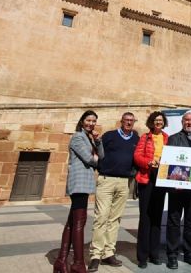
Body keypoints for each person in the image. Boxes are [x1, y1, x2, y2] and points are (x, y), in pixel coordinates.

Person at [87, 113, 140, 272]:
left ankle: (109, 253)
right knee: (101, 217)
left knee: (115, 219)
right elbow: (97, 151)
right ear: (121, 121)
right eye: (126, 120)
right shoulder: (110, 135)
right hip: (106, 180)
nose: (128, 123)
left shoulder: (136, 139)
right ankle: (96, 255)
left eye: (131, 121)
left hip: (124, 182)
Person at [53, 110, 104, 273]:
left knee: (72, 222)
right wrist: (95, 158)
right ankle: (78, 263)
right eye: (88, 120)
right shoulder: (77, 137)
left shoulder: (89, 139)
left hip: (84, 182)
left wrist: (98, 142)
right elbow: (90, 159)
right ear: (82, 121)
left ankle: (61, 261)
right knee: (79, 222)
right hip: (79, 182)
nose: (91, 123)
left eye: (94, 121)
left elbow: (100, 156)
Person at [165, 112, 191, 269]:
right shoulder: (173, 138)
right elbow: (169, 160)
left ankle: (189, 254)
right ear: (182, 122)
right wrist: (172, 181)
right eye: (186, 120)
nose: (189, 122)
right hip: (177, 187)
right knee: (174, 221)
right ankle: (172, 256)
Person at [133, 111, 169, 268]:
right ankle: (142, 256)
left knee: (157, 217)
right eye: (156, 120)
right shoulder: (145, 137)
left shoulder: (167, 138)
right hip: (147, 178)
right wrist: (148, 163)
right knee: (145, 217)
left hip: (161, 178)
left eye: (161, 120)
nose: (158, 122)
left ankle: (155, 254)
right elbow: (137, 156)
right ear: (151, 122)